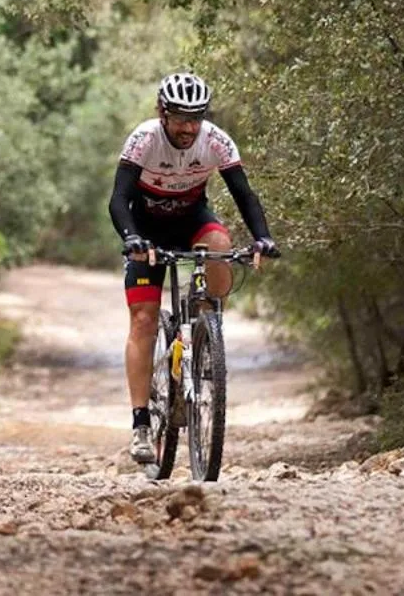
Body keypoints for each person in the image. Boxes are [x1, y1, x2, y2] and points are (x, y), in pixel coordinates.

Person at [111, 72, 280, 463]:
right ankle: (140, 425)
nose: (189, 127)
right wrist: (131, 238)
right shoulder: (144, 139)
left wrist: (263, 237)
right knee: (142, 320)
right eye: (180, 118)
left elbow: (244, 194)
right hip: (147, 229)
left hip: (192, 220)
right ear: (162, 113)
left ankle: (206, 333)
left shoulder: (216, 140)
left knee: (221, 245)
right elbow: (118, 199)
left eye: (196, 118)